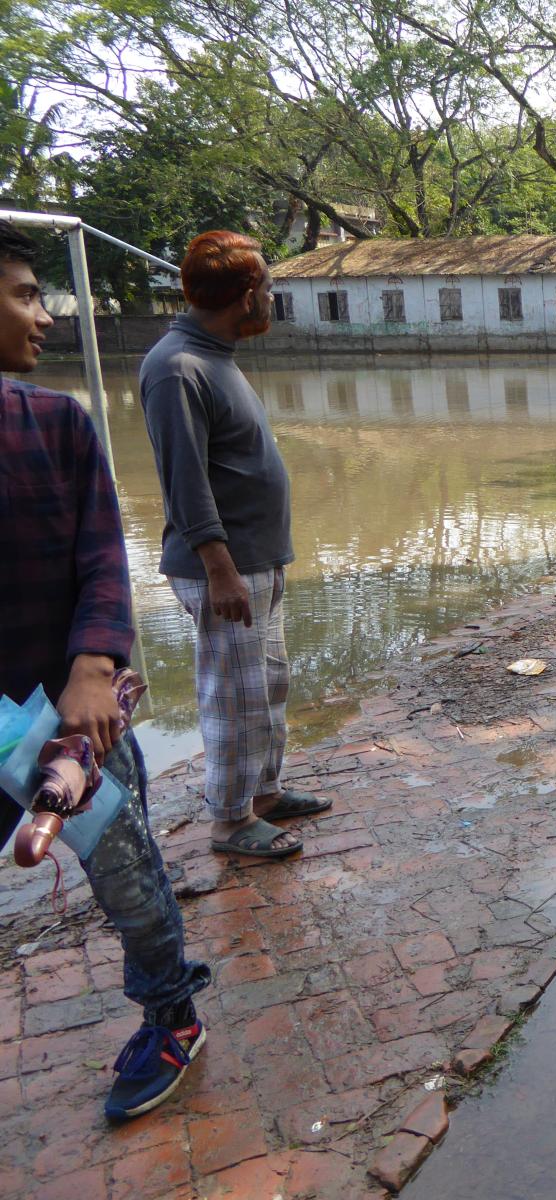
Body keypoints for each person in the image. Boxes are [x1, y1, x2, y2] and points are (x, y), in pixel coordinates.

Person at [0, 221, 211, 1120]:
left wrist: (95, 665)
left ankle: (172, 1016)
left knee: (128, 876)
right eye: (20, 295)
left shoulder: (53, 423)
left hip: (69, 717)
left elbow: (101, 552)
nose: (42, 315)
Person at [140, 231, 330, 861]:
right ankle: (228, 822)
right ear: (247, 293)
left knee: (267, 685)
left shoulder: (214, 355)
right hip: (224, 570)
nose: (274, 300)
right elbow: (184, 485)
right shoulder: (176, 368)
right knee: (231, 696)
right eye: (271, 288)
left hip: (257, 560)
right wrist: (219, 570)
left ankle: (265, 794)